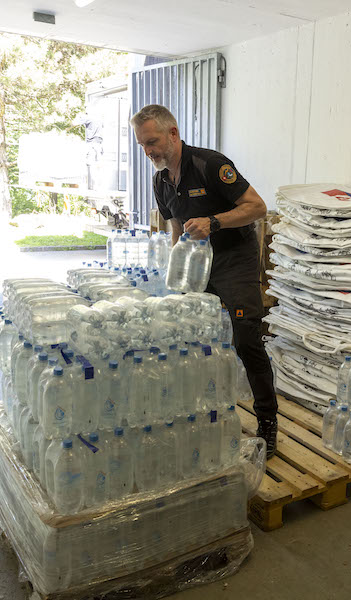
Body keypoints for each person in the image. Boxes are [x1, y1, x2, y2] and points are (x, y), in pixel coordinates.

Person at [130, 104, 278, 458]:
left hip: (234, 260)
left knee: (247, 340)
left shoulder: (210, 165)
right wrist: (175, 268)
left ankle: (268, 423)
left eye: (152, 142)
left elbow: (257, 207)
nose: (148, 151)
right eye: (142, 145)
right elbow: (176, 227)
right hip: (197, 265)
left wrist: (213, 222)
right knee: (196, 340)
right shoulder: (161, 179)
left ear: (173, 134)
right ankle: (203, 415)